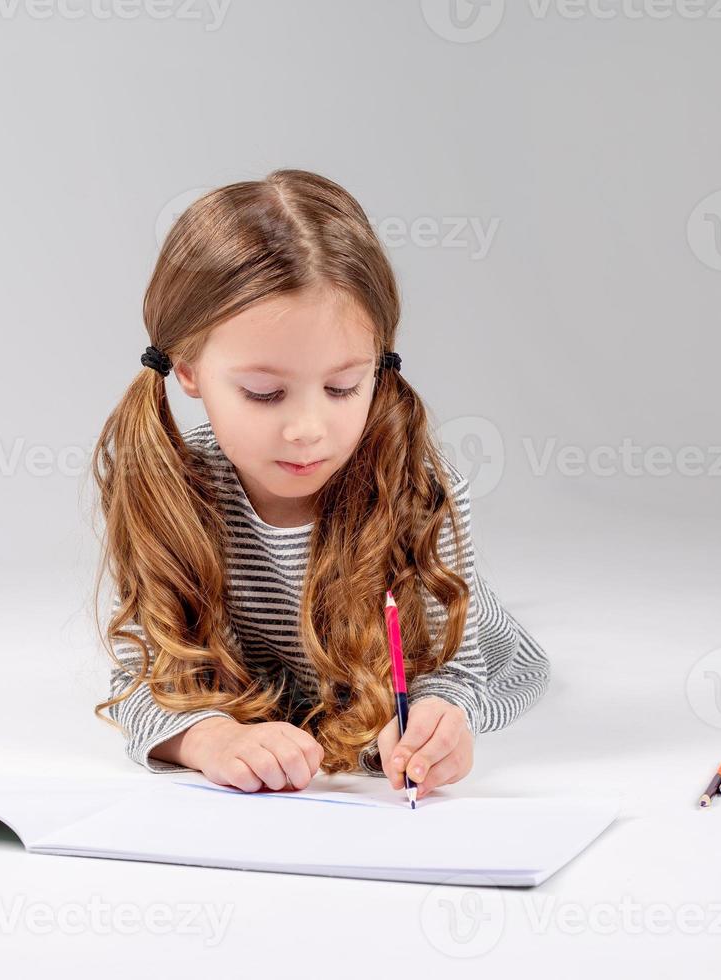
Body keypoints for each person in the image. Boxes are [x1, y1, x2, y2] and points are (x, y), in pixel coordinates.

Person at [90, 169, 549, 800]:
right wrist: (211, 738)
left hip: (429, 653)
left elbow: (455, 668)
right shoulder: (168, 487)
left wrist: (443, 718)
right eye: (264, 393)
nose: (308, 430)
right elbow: (146, 678)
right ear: (190, 370)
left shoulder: (416, 492)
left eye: (342, 388)